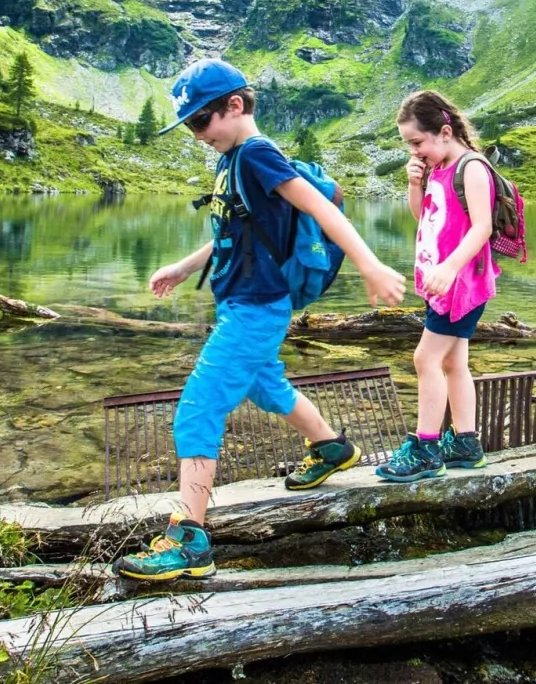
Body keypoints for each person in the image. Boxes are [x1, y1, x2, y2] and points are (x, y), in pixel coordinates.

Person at [114, 58, 406, 581]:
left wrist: (371, 265)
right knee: (265, 386)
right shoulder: (230, 161)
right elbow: (231, 228)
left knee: (198, 408)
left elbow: (321, 209)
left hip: (257, 307)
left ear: (234, 105)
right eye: (189, 126)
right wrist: (183, 268)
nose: (197, 134)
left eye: (201, 121)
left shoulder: (256, 154)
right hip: (240, 301)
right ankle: (332, 446)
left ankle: (189, 539)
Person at [374, 90, 496, 481]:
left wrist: (450, 267)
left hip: (460, 284)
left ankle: (426, 448)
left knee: (425, 359)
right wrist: (414, 186)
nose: (414, 151)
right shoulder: (439, 169)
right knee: (453, 361)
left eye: (416, 142)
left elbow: (483, 227)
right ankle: (465, 442)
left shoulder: (472, 167)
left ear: (445, 132)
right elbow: (424, 219)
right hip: (445, 285)